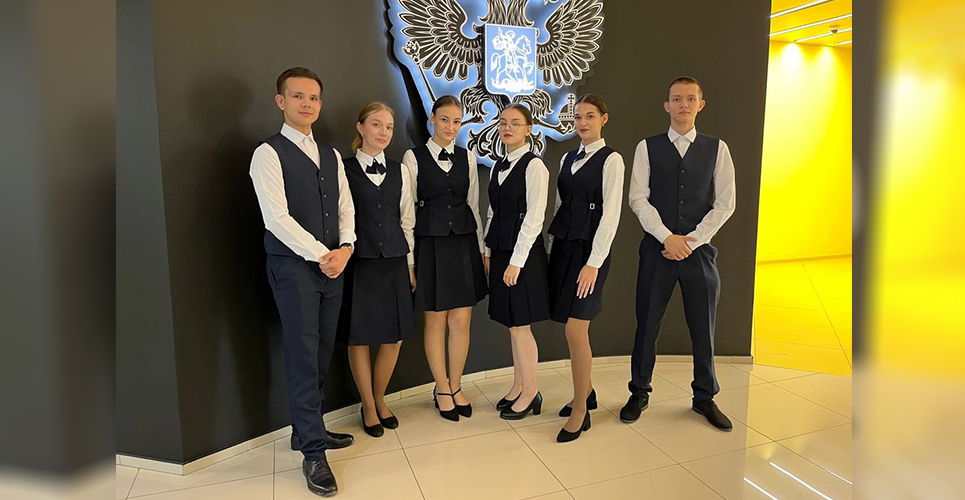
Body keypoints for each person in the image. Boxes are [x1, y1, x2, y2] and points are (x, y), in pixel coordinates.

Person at [249, 67, 356, 497]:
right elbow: (276, 218)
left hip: (334, 266)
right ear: (281, 101)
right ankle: (313, 452)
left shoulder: (330, 154)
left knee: (323, 349)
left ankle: (306, 429)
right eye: (298, 96)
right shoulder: (267, 153)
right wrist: (322, 254)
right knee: (302, 357)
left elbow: (345, 206)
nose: (307, 104)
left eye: (313, 98)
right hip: (295, 269)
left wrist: (345, 247)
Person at [621, 76, 737, 432]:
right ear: (666, 105)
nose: (683, 104)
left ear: (700, 105)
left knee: (703, 326)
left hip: (699, 253)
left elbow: (726, 203)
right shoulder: (647, 147)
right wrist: (667, 237)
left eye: (690, 99)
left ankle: (704, 396)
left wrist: (692, 241)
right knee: (646, 325)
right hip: (656, 250)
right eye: (676, 99)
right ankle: (639, 391)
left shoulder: (717, 148)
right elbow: (637, 198)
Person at [401, 95, 488, 421]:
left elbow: (473, 207)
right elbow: (407, 214)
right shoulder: (413, 157)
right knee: (436, 321)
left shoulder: (468, 158)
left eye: (456, 121)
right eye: (444, 120)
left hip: (463, 243)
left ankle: (456, 384)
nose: (450, 127)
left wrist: (482, 250)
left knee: (461, 320)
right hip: (430, 246)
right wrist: (410, 261)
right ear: (432, 120)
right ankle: (441, 388)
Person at [546, 94, 625, 442]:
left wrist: (594, 263)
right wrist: (552, 249)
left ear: (604, 119)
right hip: (564, 247)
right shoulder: (567, 158)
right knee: (570, 326)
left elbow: (611, 216)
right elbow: (560, 206)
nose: (582, 123)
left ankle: (581, 410)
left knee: (576, 329)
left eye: (590, 116)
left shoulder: (612, 160)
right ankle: (587, 392)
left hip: (591, 252)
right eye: (578, 117)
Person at [337, 102, 416, 438]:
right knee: (359, 338)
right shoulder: (342, 168)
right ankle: (368, 405)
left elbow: (407, 219)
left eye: (389, 127)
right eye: (376, 124)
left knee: (394, 336)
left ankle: (380, 398)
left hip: (395, 259)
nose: (384, 132)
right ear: (361, 127)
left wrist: (410, 264)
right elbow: (341, 216)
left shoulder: (401, 171)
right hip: (359, 261)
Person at [482, 104, 551, 420]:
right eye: (503, 123)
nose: (507, 128)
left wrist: (516, 262)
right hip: (499, 250)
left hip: (522, 255)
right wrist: (487, 251)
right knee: (512, 325)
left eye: (515, 123)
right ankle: (519, 384)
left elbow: (535, 217)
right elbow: (493, 211)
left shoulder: (535, 166)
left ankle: (531, 391)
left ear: (529, 129)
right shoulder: (498, 166)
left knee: (521, 325)